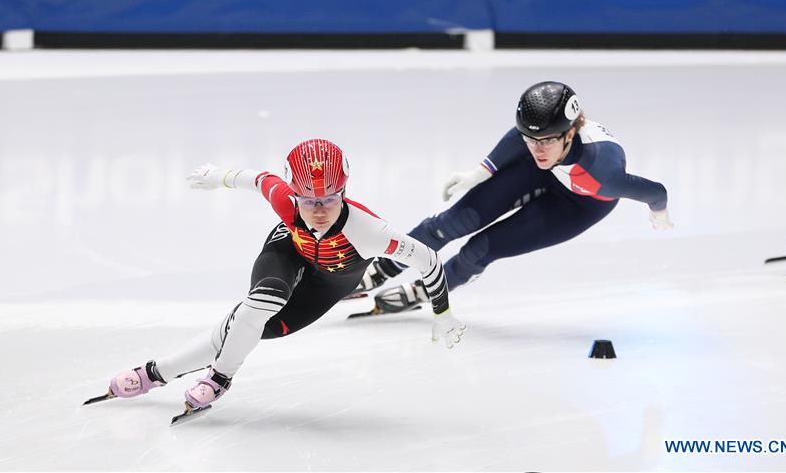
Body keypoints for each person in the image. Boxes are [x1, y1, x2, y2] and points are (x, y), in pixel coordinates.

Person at [93, 139, 465, 418]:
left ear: (344, 192)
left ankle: (156, 372)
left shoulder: (369, 230)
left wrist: (442, 313)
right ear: (296, 194)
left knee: (245, 328)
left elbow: (429, 260)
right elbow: (260, 179)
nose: (318, 211)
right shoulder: (286, 200)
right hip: (288, 251)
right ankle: (220, 379)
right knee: (262, 302)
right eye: (307, 201)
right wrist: (219, 178)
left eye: (330, 200)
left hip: (331, 282)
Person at [359, 81, 673, 312]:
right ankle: (381, 268)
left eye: (547, 140)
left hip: (578, 204)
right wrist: (479, 173)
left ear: (570, 133)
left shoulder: (602, 173)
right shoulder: (539, 139)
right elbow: (520, 137)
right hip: (541, 173)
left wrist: (659, 212)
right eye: (531, 138)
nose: (538, 148)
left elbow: (656, 192)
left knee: (479, 250)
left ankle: (424, 291)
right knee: (451, 223)